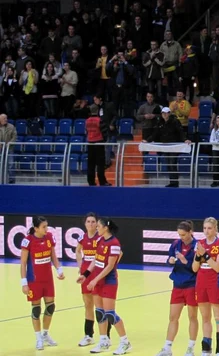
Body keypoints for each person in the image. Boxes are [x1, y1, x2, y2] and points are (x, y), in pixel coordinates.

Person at [77, 217, 132, 354]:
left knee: (110, 314)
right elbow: (95, 260)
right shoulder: (99, 240)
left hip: (108, 282)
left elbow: (110, 266)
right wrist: (85, 275)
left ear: (105, 228)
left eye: (98, 226)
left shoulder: (114, 243)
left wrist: (95, 280)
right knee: (99, 312)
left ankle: (125, 342)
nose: (96, 228)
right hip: (98, 280)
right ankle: (104, 341)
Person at [20, 216, 65, 350]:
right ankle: (38, 337)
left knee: (50, 306)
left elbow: (53, 256)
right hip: (33, 280)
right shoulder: (28, 241)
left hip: (47, 278)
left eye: (47, 226)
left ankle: (45, 334)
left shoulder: (49, 237)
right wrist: (24, 282)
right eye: (44, 227)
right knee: (36, 309)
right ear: (36, 228)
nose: (47, 229)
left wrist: (59, 269)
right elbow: (23, 263)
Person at [156, 221, 199, 356]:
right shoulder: (175, 244)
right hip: (178, 285)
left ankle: (191, 348)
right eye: (179, 234)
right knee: (173, 317)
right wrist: (170, 261)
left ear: (191, 232)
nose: (182, 237)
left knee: (192, 317)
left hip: (192, 285)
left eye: (184, 234)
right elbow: (170, 258)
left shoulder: (197, 246)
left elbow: (197, 268)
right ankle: (167, 347)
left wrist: (186, 262)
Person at [192, 217, 219, 356]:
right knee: (205, 317)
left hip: (215, 283)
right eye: (204, 228)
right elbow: (195, 268)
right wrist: (198, 257)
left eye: (209, 228)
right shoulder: (200, 244)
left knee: (218, 317)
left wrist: (205, 255)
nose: (206, 231)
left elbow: (218, 267)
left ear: (215, 229)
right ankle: (206, 349)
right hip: (201, 282)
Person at [76, 212, 112, 347]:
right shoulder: (82, 237)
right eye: (88, 221)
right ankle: (88, 335)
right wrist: (80, 266)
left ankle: (106, 335)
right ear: (84, 223)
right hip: (87, 272)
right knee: (87, 304)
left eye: (93, 222)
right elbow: (78, 251)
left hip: (98, 271)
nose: (90, 224)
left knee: (101, 305)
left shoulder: (101, 238)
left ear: (97, 224)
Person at [86, 104, 111, 186]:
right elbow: (104, 132)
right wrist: (104, 140)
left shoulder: (87, 121)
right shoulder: (99, 120)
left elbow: (86, 131)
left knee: (91, 164)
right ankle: (102, 181)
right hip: (99, 143)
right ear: (97, 111)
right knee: (100, 164)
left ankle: (91, 181)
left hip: (90, 143)